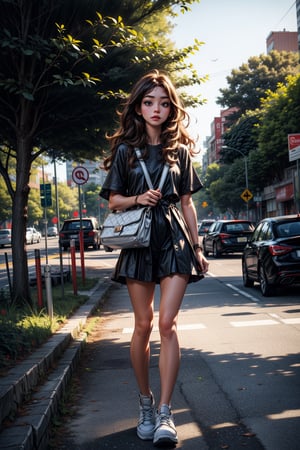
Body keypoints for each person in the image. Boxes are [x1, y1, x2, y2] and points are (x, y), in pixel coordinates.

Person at [100, 69, 209, 447]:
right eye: (149, 102)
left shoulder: (180, 151)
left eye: (163, 102)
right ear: (138, 106)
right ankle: (145, 403)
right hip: (139, 241)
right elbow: (113, 201)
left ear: (170, 107)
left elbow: (187, 203)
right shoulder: (125, 152)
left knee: (167, 323)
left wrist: (197, 247)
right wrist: (137, 198)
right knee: (143, 324)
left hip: (174, 239)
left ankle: (165, 411)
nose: (156, 109)